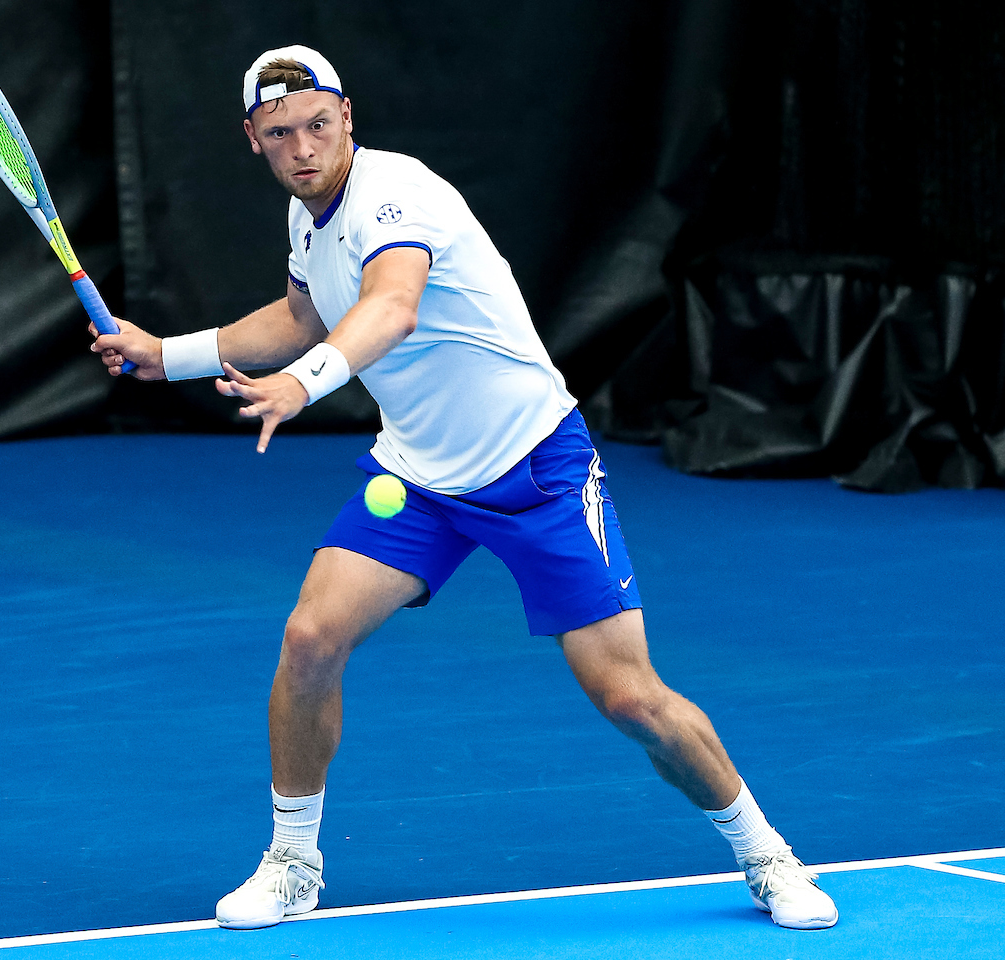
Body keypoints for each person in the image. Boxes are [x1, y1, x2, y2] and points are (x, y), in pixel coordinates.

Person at [90, 45, 839, 933]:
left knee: (630, 696)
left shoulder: (397, 194)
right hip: (416, 476)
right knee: (310, 639)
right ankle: (293, 860)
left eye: (318, 125)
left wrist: (303, 384)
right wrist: (166, 354)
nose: (304, 147)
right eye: (281, 132)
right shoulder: (308, 220)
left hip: (536, 467)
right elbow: (301, 315)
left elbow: (392, 304)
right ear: (252, 140)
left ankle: (766, 854)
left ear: (348, 118)